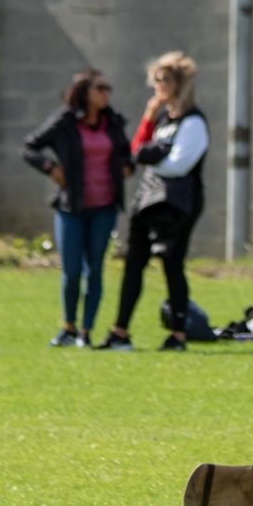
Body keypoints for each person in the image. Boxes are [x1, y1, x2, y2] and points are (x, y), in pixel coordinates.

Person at [98, 52, 207, 352]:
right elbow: (136, 150)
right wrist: (148, 119)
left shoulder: (194, 121)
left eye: (165, 80)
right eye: (156, 79)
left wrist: (149, 157)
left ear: (179, 84)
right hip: (148, 199)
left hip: (178, 203)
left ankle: (178, 336)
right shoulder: (162, 119)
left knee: (172, 264)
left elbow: (179, 165)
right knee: (133, 263)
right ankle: (120, 332)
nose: (158, 85)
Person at [23, 69, 132, 348]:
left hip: (104, 206)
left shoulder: (113, 122)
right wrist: (50, 168)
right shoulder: (65, 122)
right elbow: (30, 147)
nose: (106, 93)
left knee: (95, 269)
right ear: (85, 92)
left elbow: (126, 155)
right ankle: (68, 328)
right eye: (100, 88)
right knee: (72, 270)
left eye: (108, 88)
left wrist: (127, 168)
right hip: (71, 206)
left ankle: (86, 332)